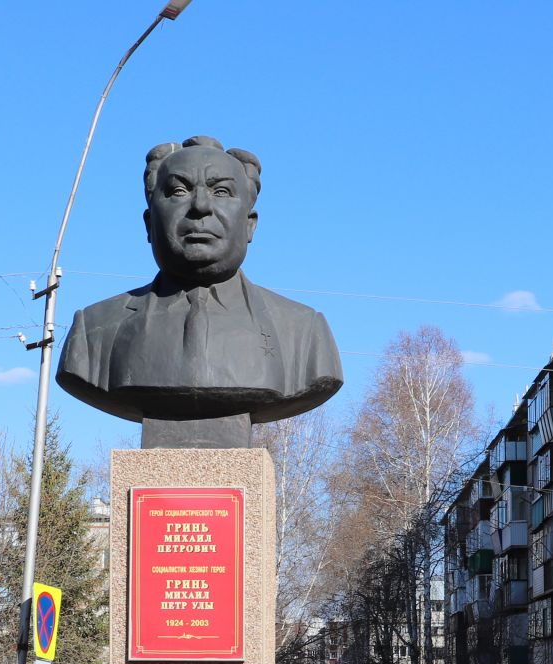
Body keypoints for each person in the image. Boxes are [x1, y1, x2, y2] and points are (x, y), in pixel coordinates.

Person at [57, 135, 343, 445]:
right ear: (149, 224)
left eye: (221, 192)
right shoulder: (94, 331)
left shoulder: (303, 332)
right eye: (179, 191)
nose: (201, 207)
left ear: (250, 225)